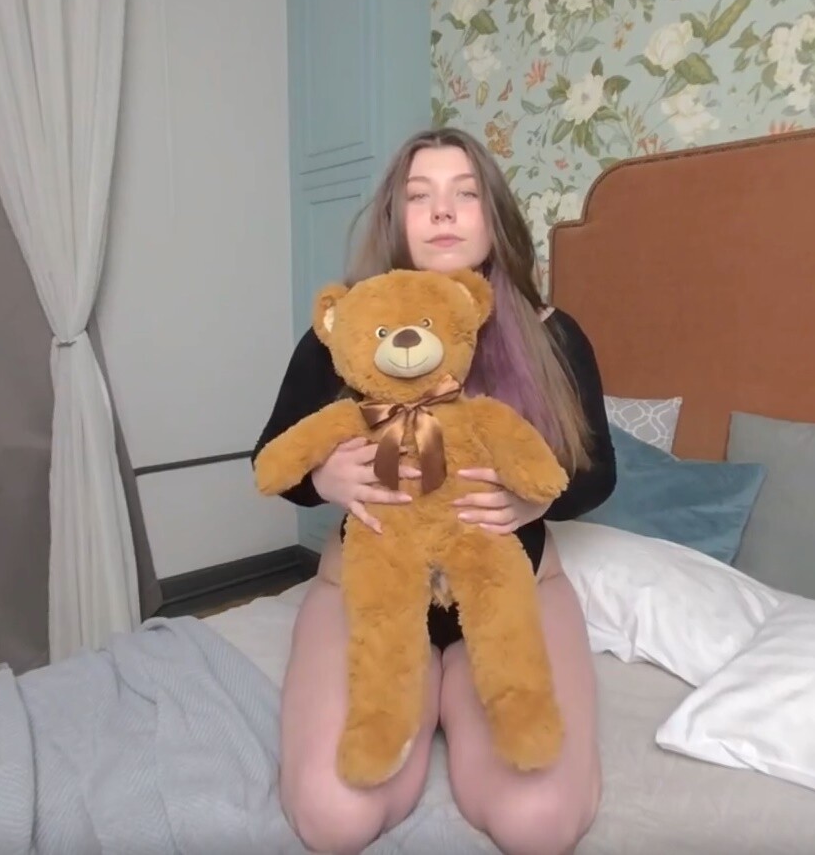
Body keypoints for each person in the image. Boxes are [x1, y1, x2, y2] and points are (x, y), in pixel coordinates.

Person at [253, 127, 615, 855]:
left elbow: (598, 470)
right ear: (398, 218)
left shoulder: (553, 333)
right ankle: (426, 685)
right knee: (335, 817)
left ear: (493, 215)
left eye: (465, 193)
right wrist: (322, 478)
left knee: (539, 824)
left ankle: (455, 685)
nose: (443, 211)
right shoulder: (346, 329)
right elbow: (271, 456)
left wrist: (537, 499)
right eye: (420, 196)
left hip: (510, 590)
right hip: (372, 591)